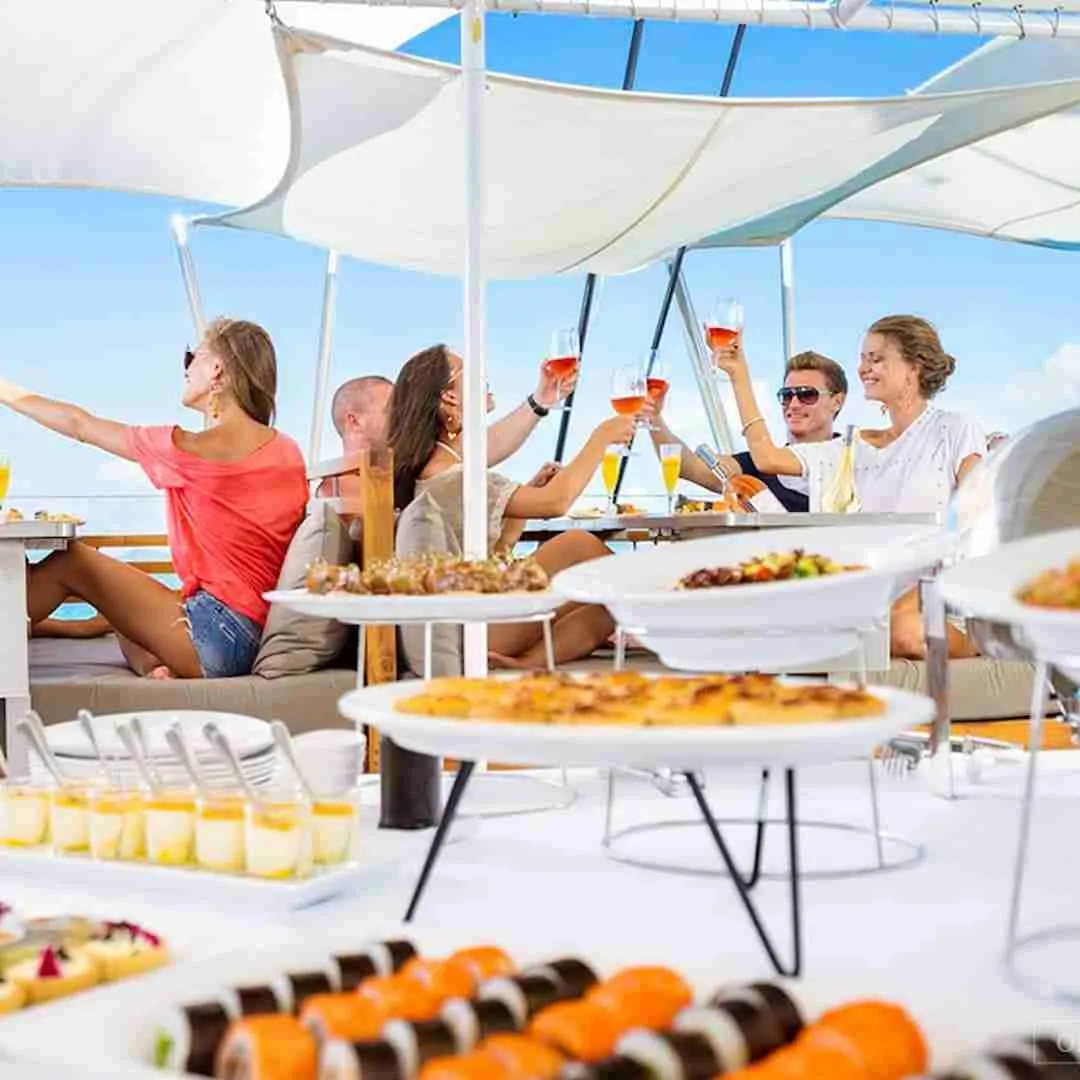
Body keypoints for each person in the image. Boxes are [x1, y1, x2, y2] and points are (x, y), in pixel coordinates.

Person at [0, 318, 308, 679]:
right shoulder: (288, 450)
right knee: (121, 610)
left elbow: (80, 424)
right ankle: (157, 670)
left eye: (192, 357)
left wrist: (6, 391)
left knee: (71, 561)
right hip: (254, 632)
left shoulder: (188, 449)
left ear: (217, 370)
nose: (187, 368)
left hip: (219, 636)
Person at [713, 314, 985, 659]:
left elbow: (975, 522)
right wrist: (739, 376)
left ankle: (983, 643)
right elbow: (766, 457)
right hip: (865, 591)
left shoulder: (955, 428)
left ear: (913, 367)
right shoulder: (850, 448)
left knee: (905, 629)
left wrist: (919, 588)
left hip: (936, 589)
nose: (863, 369)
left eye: (876, 358)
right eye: (862, 359)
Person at [387, 344, 634, 668]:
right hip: (477, 628)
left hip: (482, 626)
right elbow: (556, 502)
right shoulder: (450, 475)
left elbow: (495, 553)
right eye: (472, 374)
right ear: (449, 397)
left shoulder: (436, 466)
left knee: (609, 603)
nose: (483, 378)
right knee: (581, 545)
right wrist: (601, 438)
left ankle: (527, 663)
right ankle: (675, 622)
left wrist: (515, 506)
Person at [646, 350, 847, 512]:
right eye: (786, 395)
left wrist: (738, 375)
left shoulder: (852, 461)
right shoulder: (755, 465)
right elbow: (688, 467)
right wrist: (654, 418)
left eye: (807, 395)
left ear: (837, 401)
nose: (793, 404)